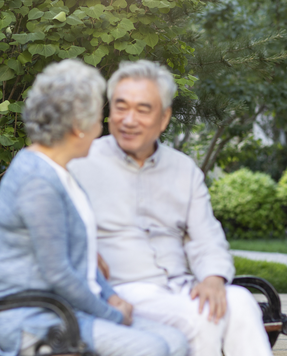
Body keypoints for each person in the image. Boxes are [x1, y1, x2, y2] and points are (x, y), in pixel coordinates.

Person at [68, 60, 273, 356]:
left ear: (164, 119)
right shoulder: (81, 164)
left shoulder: (183, 169)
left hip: (180, 286)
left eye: (142, 110)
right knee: (203, 319)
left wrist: (213, 279)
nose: (128, 119)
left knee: (240, 302)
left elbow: (207, 237)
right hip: (122, 290)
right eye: (121, 107)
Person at [0, 59, 188, 356]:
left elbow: (83, 263)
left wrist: (113, 297)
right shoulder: (36, 181)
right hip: (33, 320)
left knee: (176, 341)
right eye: (97, 118)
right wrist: (114, 314)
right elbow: (58, 273)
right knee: (152, 348)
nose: (101, 127)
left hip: (67, 312)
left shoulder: (62, 174)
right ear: (78, 127)